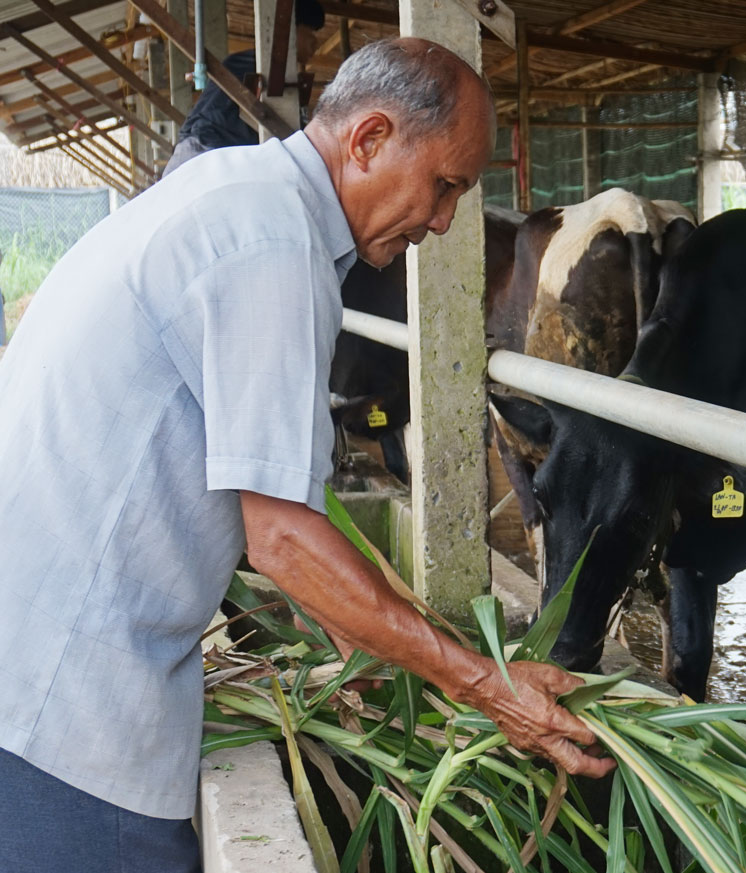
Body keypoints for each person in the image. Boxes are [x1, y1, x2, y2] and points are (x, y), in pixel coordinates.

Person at [0, 38, 611, 873]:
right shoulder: (271, 245)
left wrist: (377, 644)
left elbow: (290, 522)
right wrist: (480, 683)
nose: (441, 223)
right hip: (63, 704)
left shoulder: (240, 200)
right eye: (445, 187)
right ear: (367, 140)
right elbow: (282, 538)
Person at [163, 0, 324, 175]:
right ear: (290, 29)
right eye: (310, 33)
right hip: (208, 158)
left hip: (193, 155)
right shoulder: (262, 68)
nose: (315, 44)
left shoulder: (242, 63)